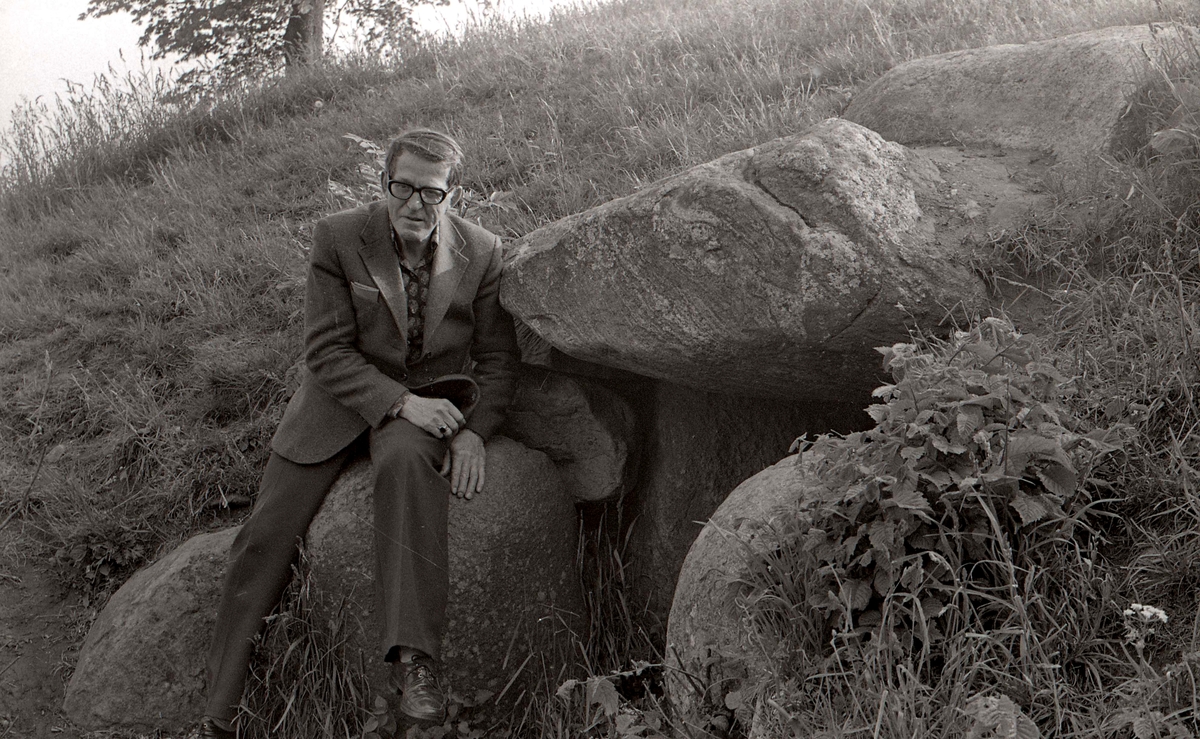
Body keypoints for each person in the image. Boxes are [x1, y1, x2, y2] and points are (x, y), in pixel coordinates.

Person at [199, 128, 520, 738]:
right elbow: (326, 351)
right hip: (337, 406)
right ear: (384, 183)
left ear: (452, 194)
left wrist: (474, 431)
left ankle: (414, 663)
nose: (415, 204)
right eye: (404, 188)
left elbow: (499, 359)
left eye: (432, 192)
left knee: (407, 468)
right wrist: (399, 401)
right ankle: (220, 713)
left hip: (425, 408)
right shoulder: (339, 236)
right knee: (263, 539)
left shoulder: (482, 250)